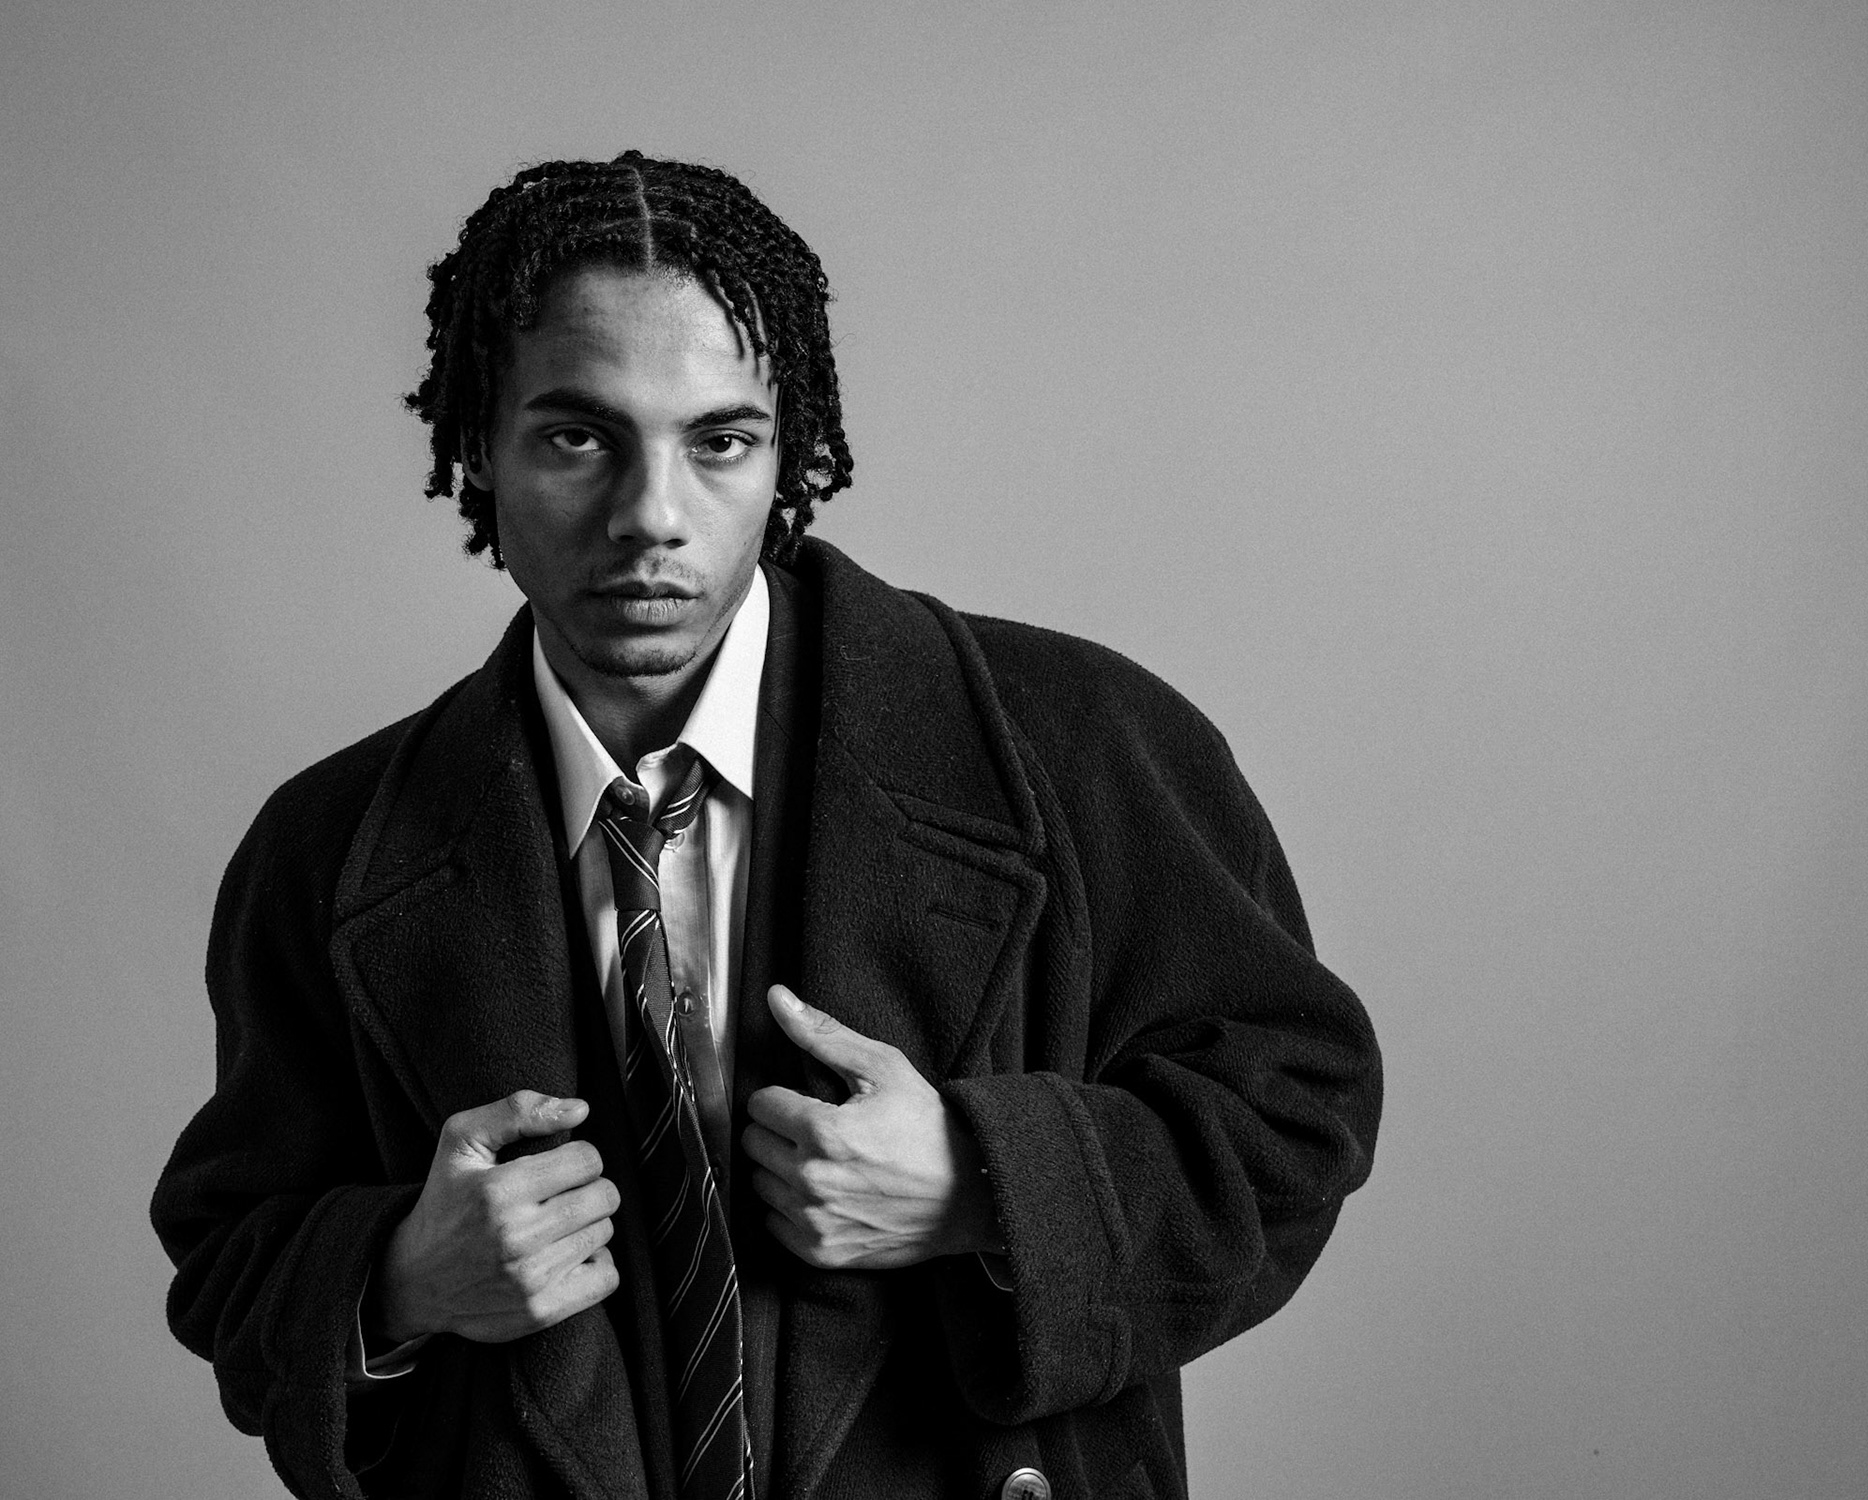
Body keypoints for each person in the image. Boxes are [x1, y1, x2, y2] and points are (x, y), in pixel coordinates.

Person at [151, 151, 1383, 1500]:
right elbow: (231, 1260)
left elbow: (1295, 1113)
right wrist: (397, 1281)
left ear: (788, 451)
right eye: (577, 437)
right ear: (477, 450)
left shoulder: (1084, 743)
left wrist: (985, 1184)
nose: (650, 517)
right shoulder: (325, 848)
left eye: (719, 442)